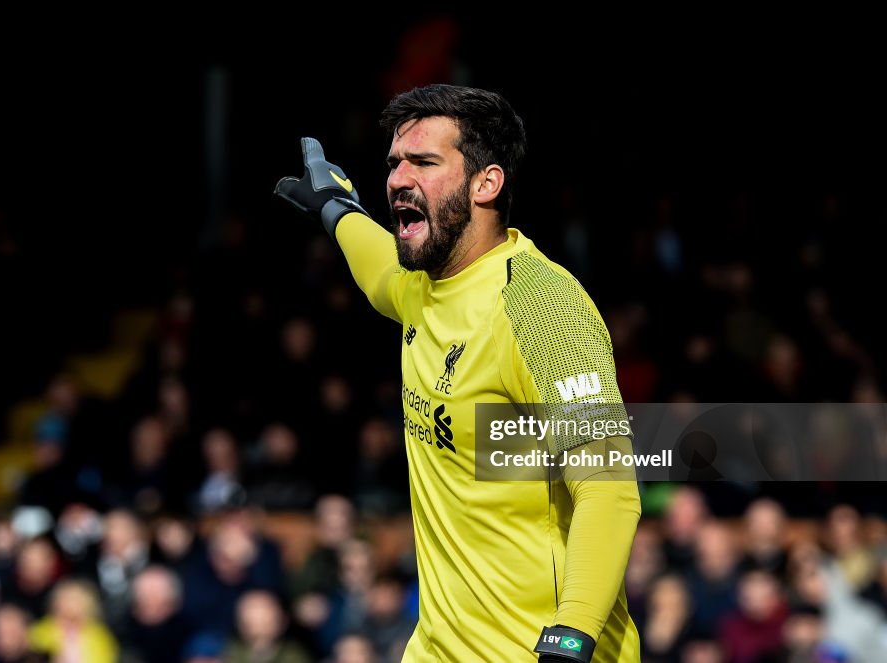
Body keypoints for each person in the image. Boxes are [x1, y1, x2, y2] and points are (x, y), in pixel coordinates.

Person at [275, 84, 642, 662]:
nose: (398, 178)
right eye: (394, 163)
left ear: (486, 183)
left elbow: (609, 491)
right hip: (439, 649)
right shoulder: (424, 287)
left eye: (424, 162)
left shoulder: (541, 306)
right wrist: (335, 210)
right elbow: (378, 275)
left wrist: (570, 637)